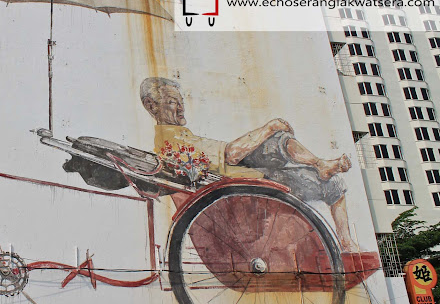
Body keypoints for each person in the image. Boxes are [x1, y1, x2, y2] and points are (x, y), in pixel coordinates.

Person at [140, 77, 355, 251]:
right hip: (246, 185)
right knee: (331, 183)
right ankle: (345, 241)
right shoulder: (174, 141)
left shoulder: (176, 137)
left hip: (238, 176)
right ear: (151, 105)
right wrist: (269, 127)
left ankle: (319, 163)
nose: (180, 108)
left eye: (180, 102)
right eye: (172, 102)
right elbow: (231, 154)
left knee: (277, 140)